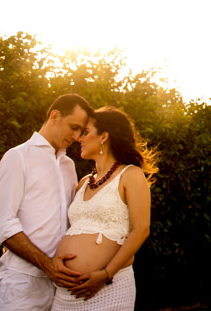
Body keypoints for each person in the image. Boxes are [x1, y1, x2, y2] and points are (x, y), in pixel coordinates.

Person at [0, 93, 94, 311]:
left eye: (81, 131)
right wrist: (48, 266)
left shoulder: (69, 166)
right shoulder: (17, 157)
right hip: (21, 285)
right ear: (55, 116)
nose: (76, 136)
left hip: (61, 287)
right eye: (73, 127)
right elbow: (2, 225)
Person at [51, 106, 155, 311]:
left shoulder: (131, 175)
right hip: (65, 293)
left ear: (104, 136)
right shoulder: (82, 183)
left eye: (86, 132)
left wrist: (106, 274)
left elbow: (141, 230)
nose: (79, 138)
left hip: (108, 288)